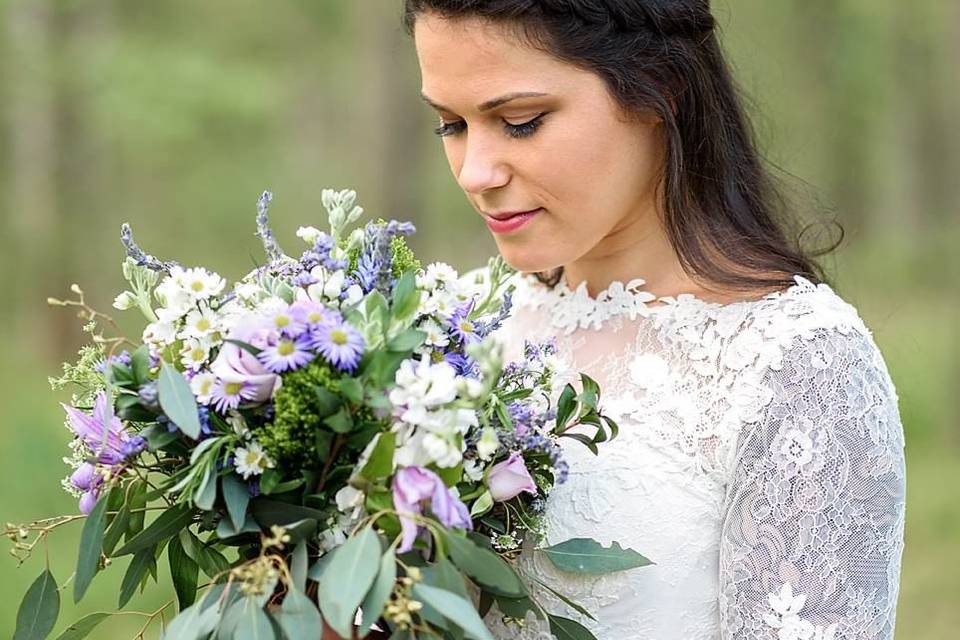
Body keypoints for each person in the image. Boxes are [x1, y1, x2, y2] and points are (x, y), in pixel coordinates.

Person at [393, 1, 907, 639]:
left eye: (519, 122)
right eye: (451, 125)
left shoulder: (797, 365)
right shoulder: (452, 332)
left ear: (658, 87)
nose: (476, 173)